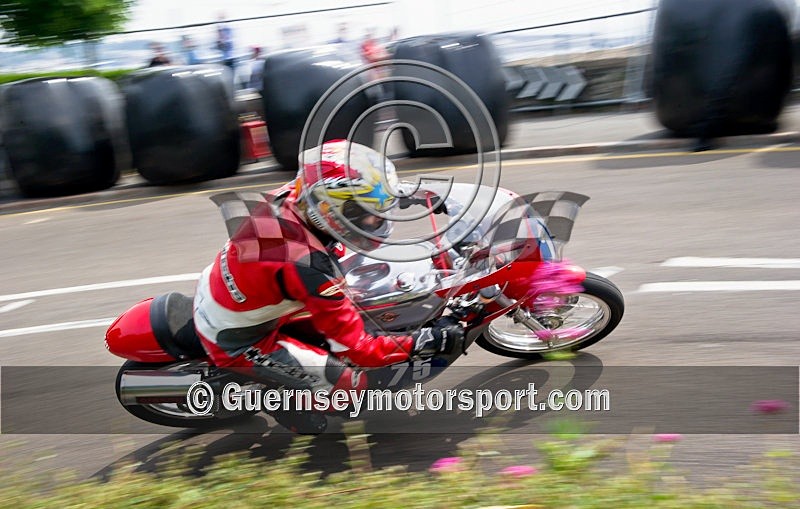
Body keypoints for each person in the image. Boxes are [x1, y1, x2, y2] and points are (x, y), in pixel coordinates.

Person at [193, 140, 463, 433]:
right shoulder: (311, 267)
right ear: (332, 210)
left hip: (232, 291)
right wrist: (423, 341)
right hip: (236, 338)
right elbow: (358, 350)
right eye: (367, 211)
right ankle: (285, 403)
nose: (377, 219)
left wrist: (408, 194)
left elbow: (347, 184)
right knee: (350, 386)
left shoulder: (293, 195)